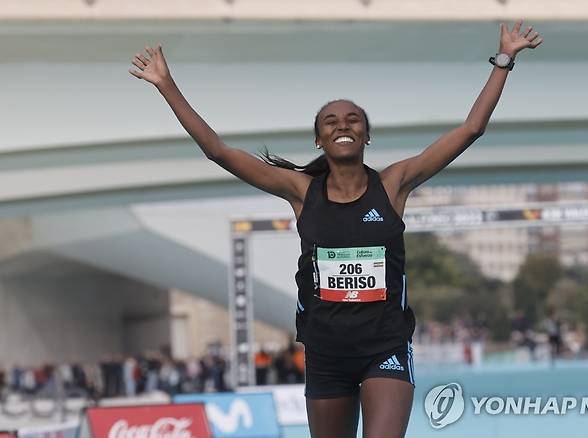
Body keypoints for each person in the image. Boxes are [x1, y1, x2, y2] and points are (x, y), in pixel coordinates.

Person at [129, 20, 542, 438]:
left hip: (385, 349)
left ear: (367, 135)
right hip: (325, 354)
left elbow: (471, 129)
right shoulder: (300, 191)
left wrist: (504, 60)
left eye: (352, 120)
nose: (342, 125)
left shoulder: (394, 184)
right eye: (330, 122)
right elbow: (217, 151)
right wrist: (166, 85)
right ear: (318, 141)